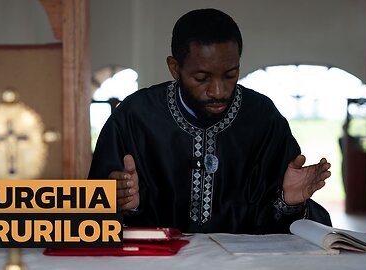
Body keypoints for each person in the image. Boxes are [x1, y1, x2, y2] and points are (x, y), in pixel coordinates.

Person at [88, 8, 332, 234]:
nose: (218, 91)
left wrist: (289, 202)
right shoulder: (135, 116)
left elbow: (277, 226)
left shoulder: (262, 117)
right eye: (202, 78)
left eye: (230, 75)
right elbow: (92, 219)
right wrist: (124, 205)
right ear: (175, 68)